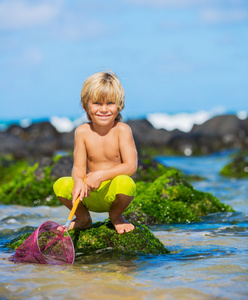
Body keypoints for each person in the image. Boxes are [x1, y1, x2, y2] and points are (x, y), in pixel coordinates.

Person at [53, 71, 137, 234]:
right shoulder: (82, 132)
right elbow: (78, 166)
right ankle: (83, 218)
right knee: (61, 184)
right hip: (88, 194)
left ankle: (116, 216)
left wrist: (101, 175)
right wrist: (78, 181)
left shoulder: (122, 130)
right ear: (85, 105)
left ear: (119, 105)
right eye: (97, 103)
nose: (104, 109)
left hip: (111, 194)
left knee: (126, 183)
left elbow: (131, 166)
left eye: (110, 103)